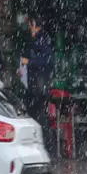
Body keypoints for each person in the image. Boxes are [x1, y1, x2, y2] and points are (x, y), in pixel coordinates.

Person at [21, 15, 54, 153]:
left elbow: (46, 61)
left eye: (30, 25)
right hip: (35, 80)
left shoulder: (42, 39)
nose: (29, 28)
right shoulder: (37, 39)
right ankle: (42, 145)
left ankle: (45, 145)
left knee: (38, 113)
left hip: (39, 81)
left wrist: (29, 63)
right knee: (37, 112)